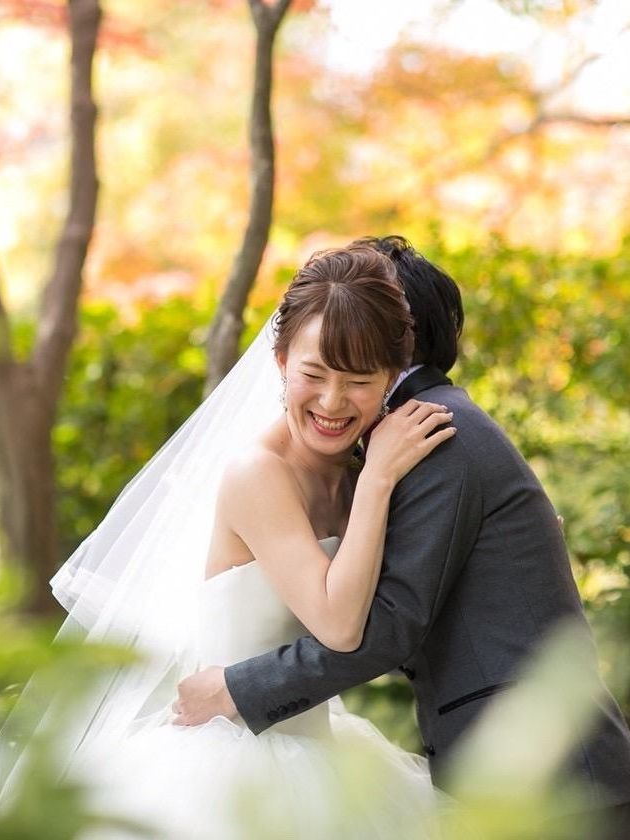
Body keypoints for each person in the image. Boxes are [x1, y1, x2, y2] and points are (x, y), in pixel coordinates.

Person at [0, 245, 454, 838]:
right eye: (313, 375)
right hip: (227, 763)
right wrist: (377, 482)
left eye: (358, 382)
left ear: (391, 380)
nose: (331, 401)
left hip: (321, 748)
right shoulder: (259, 473)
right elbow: (340, 626)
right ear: (280, 362)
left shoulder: (355, 469)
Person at [174, 236, 630, 836]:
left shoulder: (432, 435)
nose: (335, 395)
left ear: (396, 344)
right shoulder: (354, 458)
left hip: (550, 774)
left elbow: (383, 626)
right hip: (527, 770)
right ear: (284, 361)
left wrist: (237, 690)